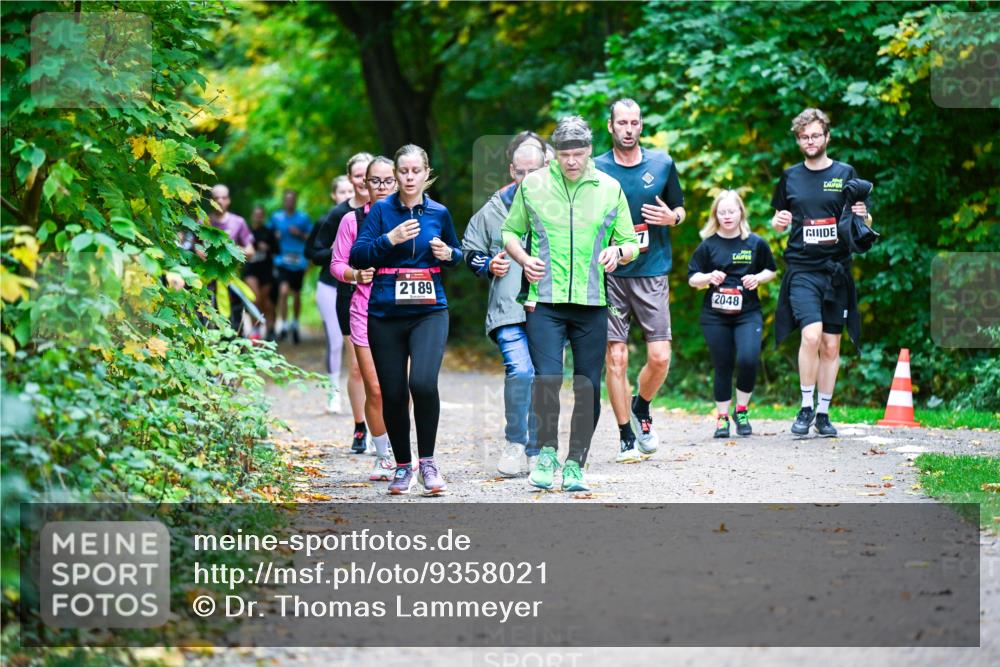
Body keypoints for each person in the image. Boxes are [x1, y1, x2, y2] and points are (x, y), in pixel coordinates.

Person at [502, 116, 639, 493]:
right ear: (554, 155)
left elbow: (631, 242)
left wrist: (618, 251)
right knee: (546, 381)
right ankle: (546, 454)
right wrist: (523, 259)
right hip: (545, 300)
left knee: (587, 386)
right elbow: (511, 231)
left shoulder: (609, 188)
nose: (572, 161)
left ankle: (576, 462)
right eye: (565, 155)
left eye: (579, 154)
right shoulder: (533, 185)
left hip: (592, 302)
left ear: (589, 151)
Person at [350, 145, 463, 496]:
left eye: (416, 171)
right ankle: (402, 466)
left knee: (424, 384)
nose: (410, 177)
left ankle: (427, 462)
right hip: (386, 313)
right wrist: (389, 239)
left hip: (429, 310)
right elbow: (358, 254)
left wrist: (449, 254)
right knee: (394, 393)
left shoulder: (439, 212)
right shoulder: (382, 211)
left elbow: (456, 254)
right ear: (396, 175)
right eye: (404, 171)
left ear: (426, 173)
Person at [594, 98, 686, 464]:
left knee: (660, 357)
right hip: (610, 273)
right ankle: (625, 436)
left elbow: (679, 208)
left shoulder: (662, 163)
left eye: (634, 122)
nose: (628, 129)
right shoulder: (595, 169)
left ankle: (641, 406)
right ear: (610, 126)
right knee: (615, 357)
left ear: (641, 126)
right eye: (622, 123)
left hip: (652, 270)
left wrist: (672, 219)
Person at [770, 108, 871, 437]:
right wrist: (778, 222)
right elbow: (777, 219)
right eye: (804, 137)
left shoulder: (845, 173)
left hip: (837, 269)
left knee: (830, 345)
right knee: (810, 335)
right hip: (802, 267)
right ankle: (805, 406)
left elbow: (862, 221)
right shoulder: (790, 177)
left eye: (815, 135)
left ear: (826, 137)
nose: (810, 141)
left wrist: (864, 216)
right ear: (798, 140)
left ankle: (824, 413)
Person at [462, 140, 546, 476]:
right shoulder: (493, 209)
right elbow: (469, 250)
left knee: (544, 377)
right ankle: (515, 443)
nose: (526, 179)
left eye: (533, 172)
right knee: (522, 371)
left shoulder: (559, 207)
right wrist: (487, 265)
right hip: (507, 310)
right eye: (520, 172)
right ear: (511, 170)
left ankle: (539, 450)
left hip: (547, 308)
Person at [688, 190, 777, 437]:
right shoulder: (708, 245)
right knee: (723, 364)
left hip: (748, 313)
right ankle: (722, 418)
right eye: (722, 212)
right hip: (715, 315)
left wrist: (757, 278)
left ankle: (742, 409)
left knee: (748, 359)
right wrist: (708, 277)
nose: (727, 216)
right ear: (716, 215)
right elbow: (692, 278)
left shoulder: (755, 243)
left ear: (740, 213)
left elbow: (771, 270)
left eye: (731, 211)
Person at [331, 157, 397, 481]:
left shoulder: (412, 219)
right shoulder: (351, 221)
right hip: (363, 312)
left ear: (397, 183)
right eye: (375, 181)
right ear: (365, 185)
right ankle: (384, 455)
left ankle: (402, 453)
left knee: (400, 389)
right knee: (375, 388)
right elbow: (335, 264)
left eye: (388, 181)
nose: (381, 187)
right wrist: (355, 274)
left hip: (402, 314)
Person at [305, 160, 372, 427]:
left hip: (382, 294)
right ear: (350, 178)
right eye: (358, 175)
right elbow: (314, 253)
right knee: (353, 360)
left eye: (370, 175)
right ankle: (358, 425)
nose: (365, 181)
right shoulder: (337, 216)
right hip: (340, 288)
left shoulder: (390, 211)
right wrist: (341, 252)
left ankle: (386, 430)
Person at [208, 184, 256, 335]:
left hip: (232, 283)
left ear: (228, 200)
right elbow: (194, 249)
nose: (220, 201)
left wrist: (229, 249)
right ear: (211, 201)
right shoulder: (203, 222)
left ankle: (237, 352)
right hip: (207, 284)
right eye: (216, 198)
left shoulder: (238, 222)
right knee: (210, 326)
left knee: (235, 325)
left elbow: (250, 251)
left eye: (223, 197)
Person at [269, 189, 312, 344]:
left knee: (296, 294)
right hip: (282, 260)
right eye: (286, 199)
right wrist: (274, 236)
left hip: (299, 260)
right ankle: (284, 323)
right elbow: (268, 234)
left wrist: (299, 233)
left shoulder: (303, 218)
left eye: (292, 199)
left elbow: (311, 238)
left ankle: (295, 322)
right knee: (283, 290)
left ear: (295, 201)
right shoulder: (276, 217)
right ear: (283, 201)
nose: (289, 202)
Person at [242, 204, 279, 340]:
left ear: (263, 216)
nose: (258, 217)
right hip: (251, 270)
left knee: (265, 302)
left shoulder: (268, 232)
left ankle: (269, 330)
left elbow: (277, 249)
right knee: (255, 298)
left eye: (260, 215)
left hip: (266, 270)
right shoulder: (246, 231)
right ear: (252, 216)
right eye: (255, 215)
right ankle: (255, 330)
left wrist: (268, 247)